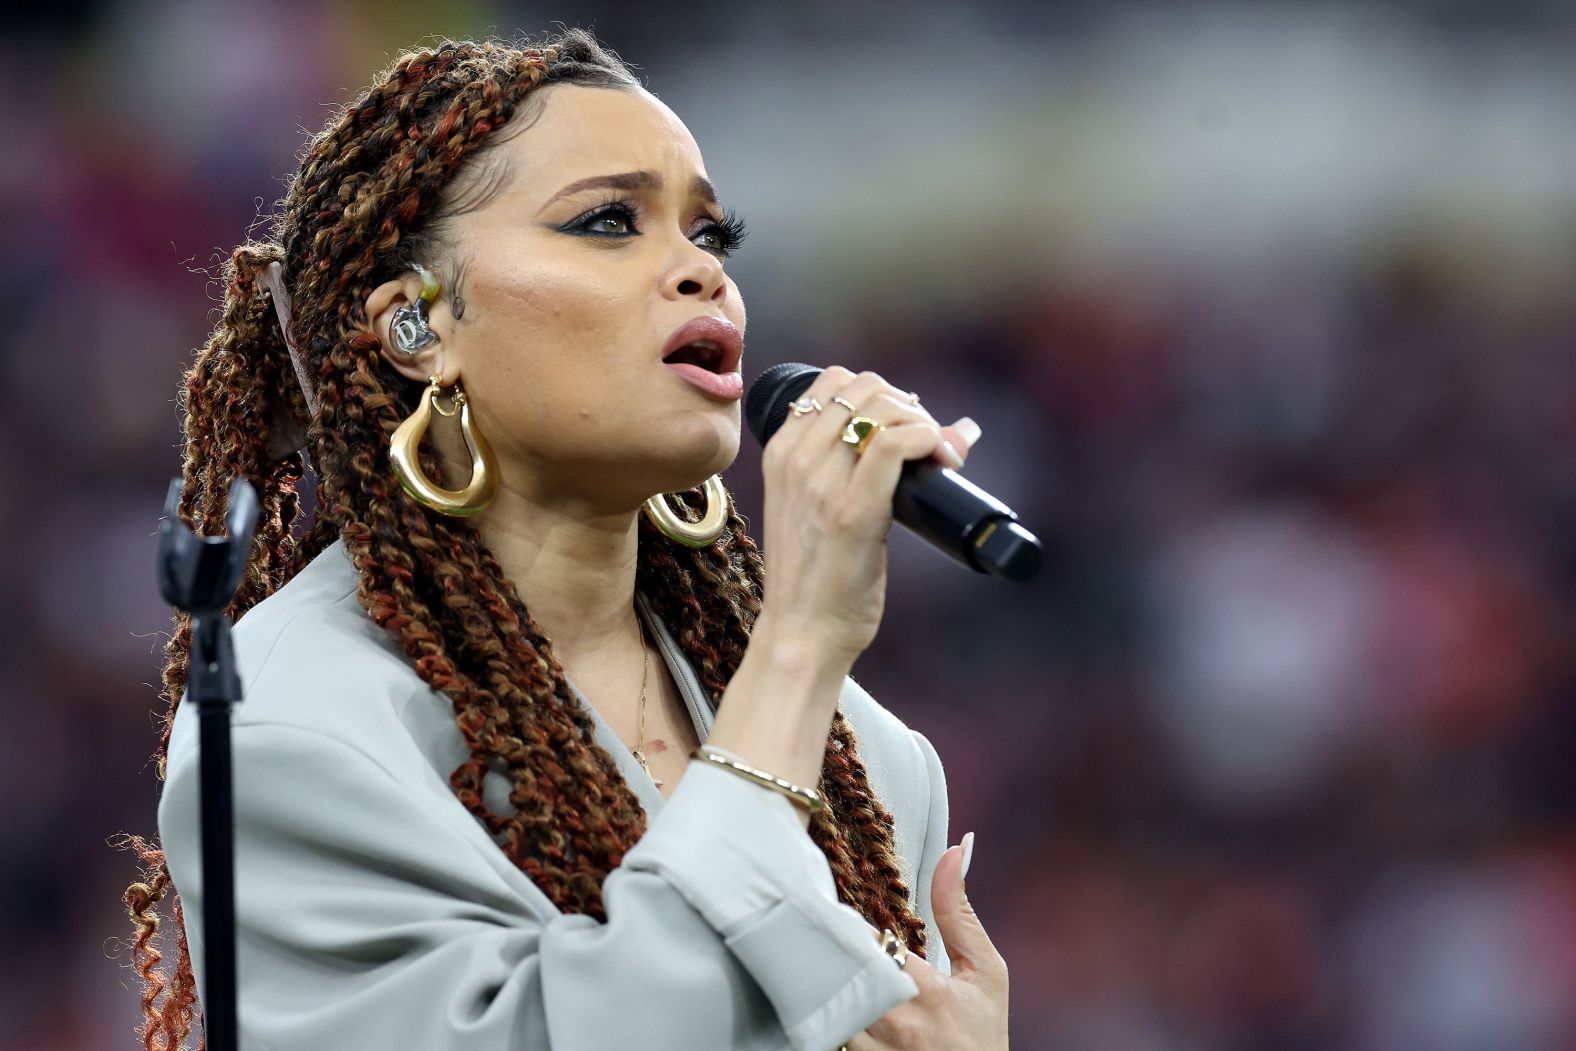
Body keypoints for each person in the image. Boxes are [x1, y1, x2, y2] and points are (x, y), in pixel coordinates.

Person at [120, 28, 1009, 1050]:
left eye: (712, 235)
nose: (697, 272)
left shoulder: (872, 760)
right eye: (606, 221)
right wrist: (802, 640)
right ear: (417, 327)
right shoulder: (295, 731)